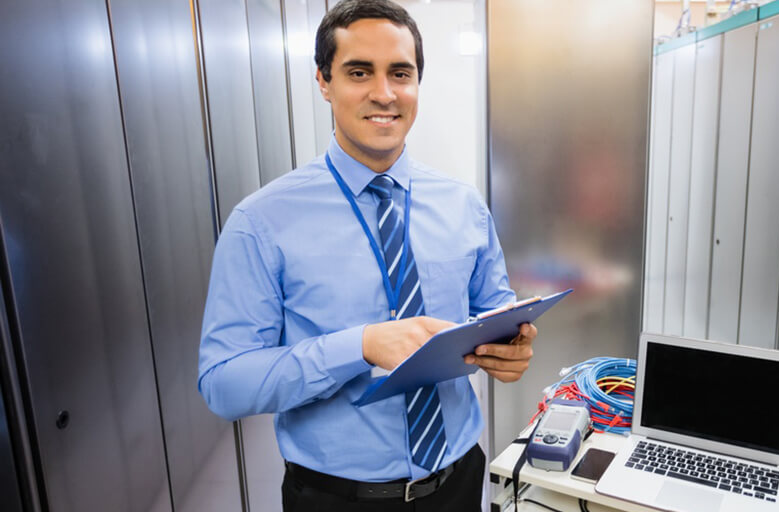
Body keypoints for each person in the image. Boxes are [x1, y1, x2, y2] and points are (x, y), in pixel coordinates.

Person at [196, 1, 536, 509]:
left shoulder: (463, 204)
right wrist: (360, 346)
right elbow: (224, 384)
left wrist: (511, 350)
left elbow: (495, 312)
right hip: (336, 498)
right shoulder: (261, 222)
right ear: (324, 81)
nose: (384, 93)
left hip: (460, 482)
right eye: (359, 72)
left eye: (401, 72)